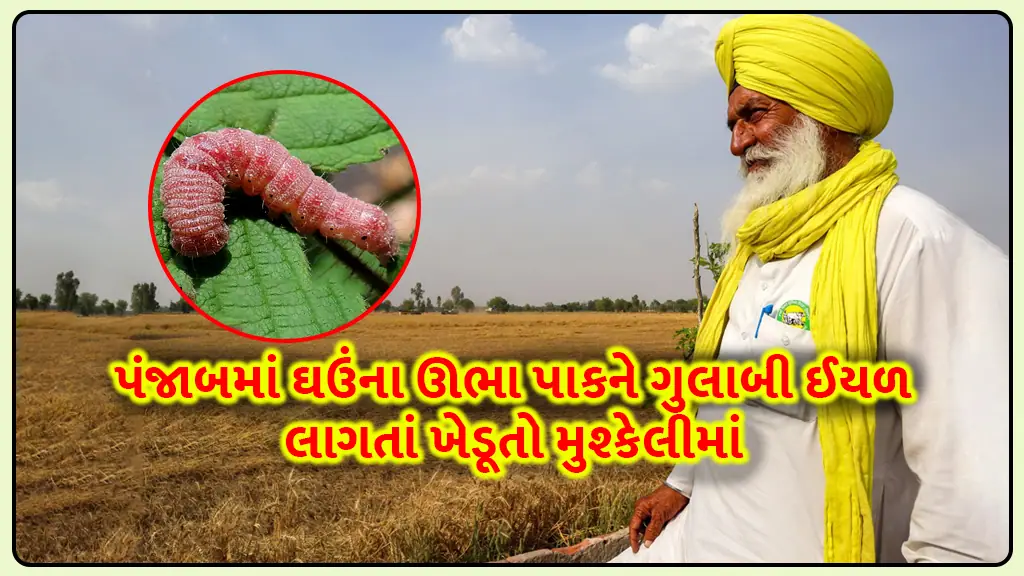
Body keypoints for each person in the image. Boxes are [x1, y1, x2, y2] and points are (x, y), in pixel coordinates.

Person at [610, 14, 1009, 564]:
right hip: (694, 543)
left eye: (754, 115)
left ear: (827, 113)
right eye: (731, 123)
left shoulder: (916, 241)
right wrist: (681, 483)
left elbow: (974, 491)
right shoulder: (760, 243)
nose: (736, 143)